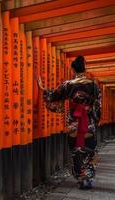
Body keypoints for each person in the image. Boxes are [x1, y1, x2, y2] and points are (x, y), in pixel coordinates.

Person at [38, 55, 101, 189]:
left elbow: (53, 97)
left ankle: (80, 178)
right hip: (88, 123)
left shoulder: (67, 85)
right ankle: (87, 178)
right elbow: (97, 105)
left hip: (73, 123)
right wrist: (96, 120)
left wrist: (44, 90)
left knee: (76, 151)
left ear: (73, 69)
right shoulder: (93, 84)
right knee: (89, 150)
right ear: (85, 68)